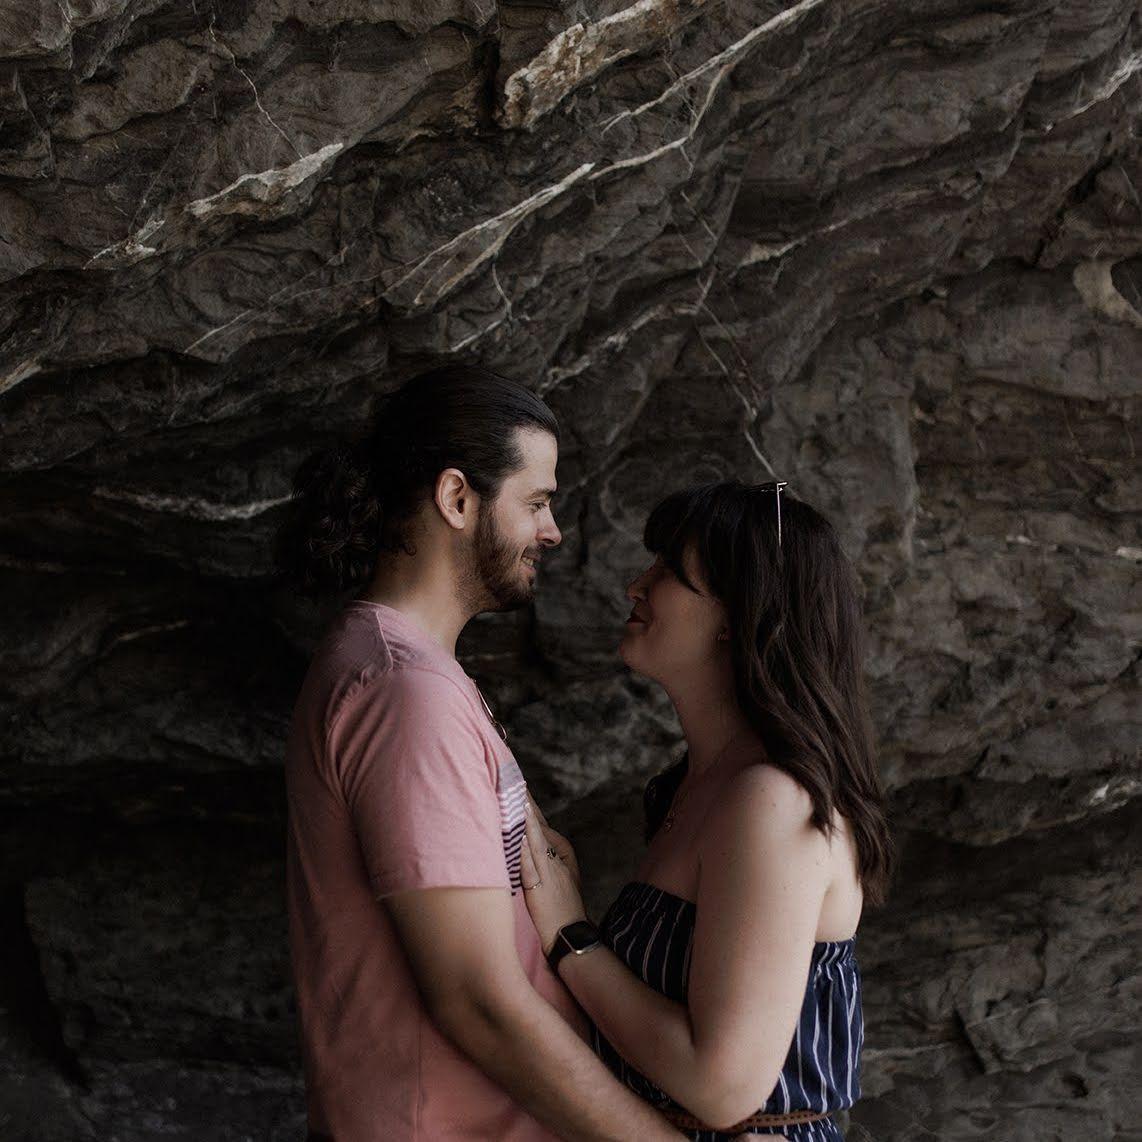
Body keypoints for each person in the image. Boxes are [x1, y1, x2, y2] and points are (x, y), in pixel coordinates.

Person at [275, 364, 685, 1142]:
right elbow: (476, 1000)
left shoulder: (417, 676)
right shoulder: (404, 695)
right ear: (457, 498)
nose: (553, 531)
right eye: (536, 502)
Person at [518, 481, 893, 1141]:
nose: (636, 584)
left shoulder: (773, 800)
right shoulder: (702, 784)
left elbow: (721, 1087)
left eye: (668, 571)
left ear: (737, 615)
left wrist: (571, 936)